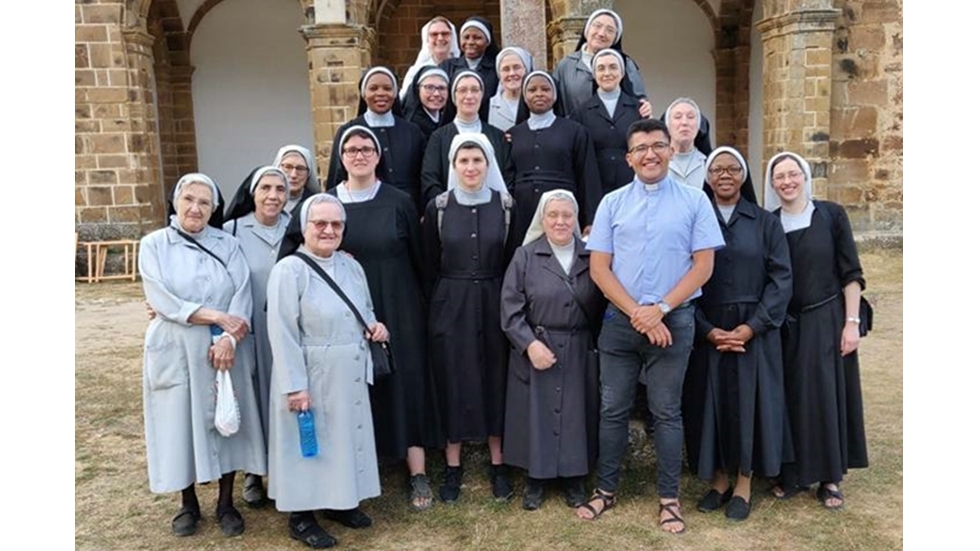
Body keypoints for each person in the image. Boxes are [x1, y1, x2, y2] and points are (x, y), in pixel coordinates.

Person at [577, 119, 724, 534]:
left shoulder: (695, 201)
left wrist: (659, 309)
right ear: (628, 158)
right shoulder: (612, 203)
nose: (649, 154)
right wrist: (638, 314)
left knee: (666, 411)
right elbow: (600, 268)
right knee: (612, 409)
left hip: (673, 319)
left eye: (657, 146)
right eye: (640, 148)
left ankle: (669, 498)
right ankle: (606, 490)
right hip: (620, 321)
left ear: (671, 151)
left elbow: (704, 266)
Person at [138, 173, 266, 538]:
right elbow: (162, 299)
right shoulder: (153, 245)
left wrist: (229, 336)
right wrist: (216, 316)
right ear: (176, 202)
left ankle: (226, 502)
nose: (196, 208)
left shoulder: (227, 244)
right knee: (180, 422)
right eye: (189, 199)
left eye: (205, 202)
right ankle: (187, 502)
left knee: (225, 419)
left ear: (214, 209)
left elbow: (242, 291)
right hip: (177, 346)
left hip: (223, 348)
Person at [326, 125, 443, 511]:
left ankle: (417, 472)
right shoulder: (326, 205)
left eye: (366, 149)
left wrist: (422, 307)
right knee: (353, 384)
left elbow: (421, 259)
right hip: (345, 309)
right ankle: (358, 468)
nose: (359, 155)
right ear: (340, 157)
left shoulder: (399, 201)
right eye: (351, 149)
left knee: (406, 380)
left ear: (378, 157)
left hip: (399, 303)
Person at [266, 194, 389, 549]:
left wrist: (376, 328)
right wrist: (295, 386)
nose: (328, 230)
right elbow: (283, 332)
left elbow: (365, 310)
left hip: (347, 371)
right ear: (303, 228)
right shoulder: (289, 270)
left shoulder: (352, 267)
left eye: (336, 224)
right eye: (319, 223)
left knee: (342, 441)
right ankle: (301, 516)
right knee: (310, 445)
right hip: (310, 372)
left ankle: (339, 502)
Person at [684, 147, 793, 521]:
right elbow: (679, 275)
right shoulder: (695, 219)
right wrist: (707, 330)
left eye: (733, 168)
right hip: (708, 328)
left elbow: (781, 280)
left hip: (754, 330)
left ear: (743, 176)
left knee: (750, 407)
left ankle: (744, 482)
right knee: (707, 407)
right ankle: (717, 480)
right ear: (708, 176)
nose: (725, 175)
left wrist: (752, 327)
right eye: (717, 169)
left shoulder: (765, 223)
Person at [764, 152, 869, 510]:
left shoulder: (831, 215)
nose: (787, 181)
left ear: (805, 177)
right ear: (772, 182)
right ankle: (791, 473)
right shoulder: (770, 223)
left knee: (824, 397)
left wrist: (851, 323)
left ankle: (829, 478)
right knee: (790, 396)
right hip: (785, 324)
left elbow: (851, 273)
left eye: (793, 174)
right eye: (780, 176)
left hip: (826, 319)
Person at [422, 133, 514, 503]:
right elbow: (428, 262)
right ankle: (453, 465)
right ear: (453, 166)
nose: (471, 167)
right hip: (451, 301)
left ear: (488, 164)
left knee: (497, 375)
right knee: (452, 377)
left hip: (494, 298)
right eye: (464, 161)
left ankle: (499, 463)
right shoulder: (439, 207)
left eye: (477, 161)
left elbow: (511, 258)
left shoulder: (506, 205)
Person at [501, 190, 604, 511]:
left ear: (576, 219)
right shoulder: (526, 256)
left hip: (578, 347)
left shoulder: (593, 256)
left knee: (576, 413)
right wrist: (529, 344)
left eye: (567, 215)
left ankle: (575, 478)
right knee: (537, 414)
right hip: (538, 346)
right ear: (542, 219)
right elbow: (510, 308)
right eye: (553, 215)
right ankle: (537, 478)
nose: (560, 221)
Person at [222, 166, 292, 508]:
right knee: (253, 399)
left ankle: (285, 469)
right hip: (248, 331)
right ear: (253, 192)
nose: (273, 195)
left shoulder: (297, 227)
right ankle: (252, 473)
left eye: (280, 189)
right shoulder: (231, 231)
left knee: (283, 398)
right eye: (266, 187)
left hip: (288, 330)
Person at [508, 70, 602, 242]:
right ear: (524, 95)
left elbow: (588, 176)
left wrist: (590, 218)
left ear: (555, 94)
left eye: (545, 89)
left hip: (562, 210)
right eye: (532, 90)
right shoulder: (513, 135)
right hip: (522, 210)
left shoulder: (575, 131)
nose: (539, 94)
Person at [325, 67, 427, 210]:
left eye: (387, 88)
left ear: (395, 93)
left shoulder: (412, 131)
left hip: (409, 209)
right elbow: (336, 177)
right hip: (362, 209)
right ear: (363, 94)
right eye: (373, 88)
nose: (380, 93)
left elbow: (423, 176)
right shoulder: (347, 131)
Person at [420, 70, 513, 206]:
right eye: (463, 90)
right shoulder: (439, 137)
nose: (469, 96)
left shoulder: (498, 136)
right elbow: (430, 178)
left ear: (482, 95)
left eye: (475, 90)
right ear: (454, 96)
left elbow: (508, 176)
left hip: (492, 212)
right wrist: (446, 207)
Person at [570, 48, 645, 196]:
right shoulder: (580, 113)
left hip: (632, 186)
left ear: (622, 73)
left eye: (613, 67)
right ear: (594, 74)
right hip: (594, 186)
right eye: (601, 68)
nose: (607, 73)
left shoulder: (638, 109)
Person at [553, 8, 650, 118]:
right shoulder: (565, 66)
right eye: (597, 26)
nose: (601, 33)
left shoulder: (626, 64)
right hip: (576, 130)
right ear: (587, 30)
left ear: (615, 38)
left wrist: (644, 106)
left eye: (610, 30)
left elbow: (640, 101)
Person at [662, 98, 759, 205]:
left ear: (698, 125)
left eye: (690, 117)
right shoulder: (657, 162)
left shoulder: (710, 164)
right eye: (677, 117)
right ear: (667, 125)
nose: (684, 122)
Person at [439, 16, 500, 122]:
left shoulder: (496, 68)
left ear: (488, 41)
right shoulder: (446, 66)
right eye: (466, 37)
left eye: (477, 37)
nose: (470, 42)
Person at [400, 16, 460, 104]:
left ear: (452, 37)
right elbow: (404, 100)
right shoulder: (416, 71)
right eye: (434, 34)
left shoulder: (462, 67)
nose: (440, 38)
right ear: (427, 40)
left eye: (445, 34)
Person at [488, 46, 533, 132]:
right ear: (499, 74)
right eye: (506, 69)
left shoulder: (536, 103)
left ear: (526, 70)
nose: (512, 73)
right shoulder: (489, 106)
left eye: (517, 67)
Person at [402, 65, 451, 142]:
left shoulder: (446, 119)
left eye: (442, 88)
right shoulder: (412, 125)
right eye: (429, 87)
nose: (436, 94)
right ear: (418, 90)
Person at [274, 144, 320, 217]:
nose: (293, 175)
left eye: (300, 168)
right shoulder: (265, 202)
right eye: (287, 167)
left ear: (308, 173)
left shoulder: (317, 204)